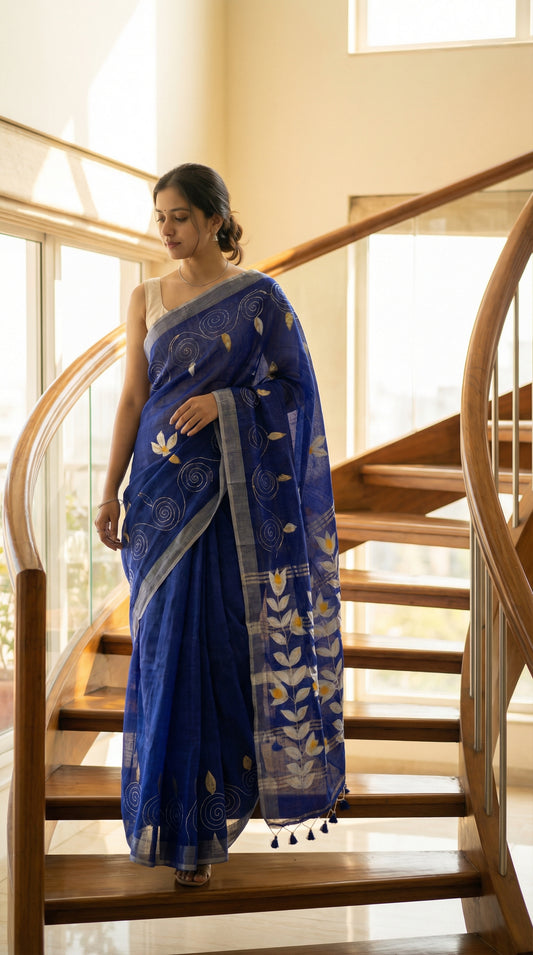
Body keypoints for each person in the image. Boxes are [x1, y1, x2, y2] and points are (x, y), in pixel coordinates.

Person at [94, 163, 345, 888]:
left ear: (214, 220)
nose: (165, 229)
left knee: (215, 651)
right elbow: (131, 400)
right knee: (163, 655)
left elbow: (295, 391)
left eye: (178, 216)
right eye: (159, 217)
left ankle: (208, 829)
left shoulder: (259, 300)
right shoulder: (143, 296)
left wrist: (228, 405)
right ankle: (168, 826)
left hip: (230, 502)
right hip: (156, 497)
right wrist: (110, 488)